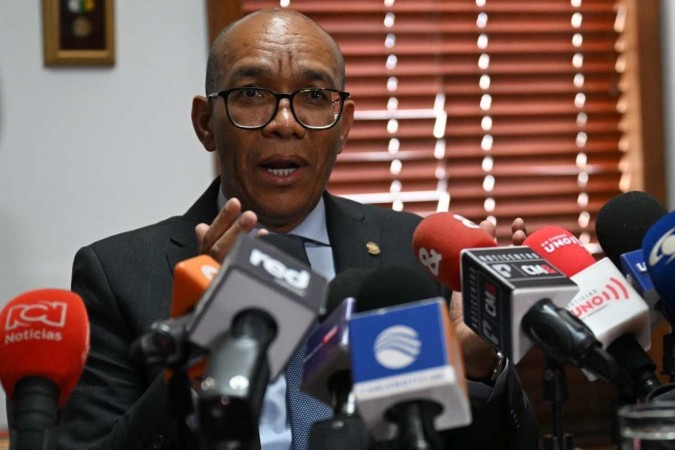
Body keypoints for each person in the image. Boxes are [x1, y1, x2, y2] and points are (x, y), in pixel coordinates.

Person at [58, 8, 538, 450]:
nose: (285, 123)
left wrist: (479, 368)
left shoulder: (411, 259)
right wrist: (205, 351)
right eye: (252, 94)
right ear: (205, 123)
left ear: (344, 125)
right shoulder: (118, 274)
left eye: (313, 96)